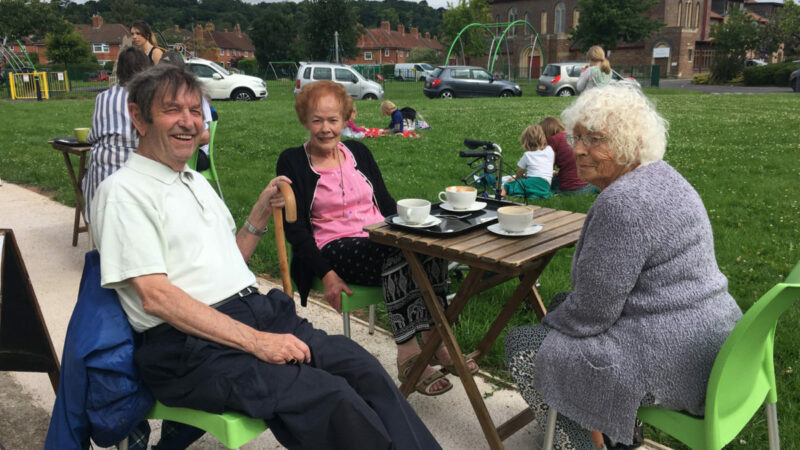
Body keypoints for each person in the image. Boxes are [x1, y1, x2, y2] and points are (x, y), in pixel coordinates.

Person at [90, 65, 439, 449]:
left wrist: (257, 214)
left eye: (195, 110)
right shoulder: (124, 192)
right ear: (138, 117)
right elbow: (155, 297)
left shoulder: (192, 182)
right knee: (330, 399)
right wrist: (256, 342)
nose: (188, 122)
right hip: (191, 347)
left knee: (363, 369)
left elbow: (230, 261)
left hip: (257, 314)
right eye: (173, 110)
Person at [504, 84, 742, 449]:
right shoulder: (663, 176)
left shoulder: (623, 203)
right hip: (715, 340)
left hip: (676, 361)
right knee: (559, 306)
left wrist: (552, 326)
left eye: (595, 139)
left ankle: (581, 443)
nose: (579, 149)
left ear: (629, 143)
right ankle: (615, 433)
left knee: (525, 345)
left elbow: (592, 313)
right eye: (577, 136)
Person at [277, 80, 478, 397]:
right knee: (398, 252)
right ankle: (409, 353)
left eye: (333, 120)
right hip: (333, 247)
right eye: (317, 120)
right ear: (305, 121)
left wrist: (415, 224)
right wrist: (327, 275)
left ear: (345, 119)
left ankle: (435, 340)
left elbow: (385, 203)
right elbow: (297, 230)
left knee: (430, 246)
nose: (326, 128)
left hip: (378, 235)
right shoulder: (293, 161)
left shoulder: (359, 151)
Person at [82, 46, 151, 221]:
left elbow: (93, 136)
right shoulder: (148, 98)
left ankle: (99, 240)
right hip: (136, 172)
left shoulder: (102, 98)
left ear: (119, 71)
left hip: (101, 174)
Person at [540, 116, 598, 196]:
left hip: (570, 189)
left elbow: (547, 169)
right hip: (587, 185)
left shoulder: (553, 141)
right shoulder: (573, 137)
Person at [501, 124, 554, 199]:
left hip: (532, 182)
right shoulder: (549, 150)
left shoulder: (527, 155)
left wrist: (516, 179)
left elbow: (519, 172)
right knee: (532, 188)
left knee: (508, 184)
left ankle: (501, 196)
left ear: (525, 141)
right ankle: (534, 195)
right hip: (546, 185)